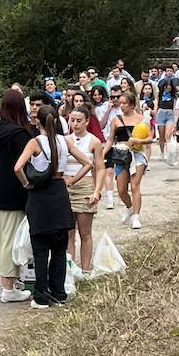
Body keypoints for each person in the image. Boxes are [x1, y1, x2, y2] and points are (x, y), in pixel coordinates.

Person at [14, 106, 95, 306]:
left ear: (38, 122)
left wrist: (26, 183)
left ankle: (41, 295)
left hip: (40, 195)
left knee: (40, 248)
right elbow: (88, 163)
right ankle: (59, 292)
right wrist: (71, 180)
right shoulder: (65, 141)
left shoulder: (35, 143)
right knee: (60, 247)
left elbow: (17, 167)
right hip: (59, 192)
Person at [0, 90, 33, 303]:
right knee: (11, 241)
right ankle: (9, 289)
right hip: (14, 194)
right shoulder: (21, 135)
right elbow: (23, 166)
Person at [64, 106, 105, 274]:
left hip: (85, 185)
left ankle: (86, 269)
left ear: (87, 121)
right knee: (68, 232)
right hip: (66, 185)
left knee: (85, 231)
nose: (75, 124)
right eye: (72, 120)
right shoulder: (65, 140)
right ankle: (70, 270)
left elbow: (100, 167)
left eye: (79, 120)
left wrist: (97, 190)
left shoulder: (94, 141)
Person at [105, 87, 151, 229]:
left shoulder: (141, 119)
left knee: (135, 185)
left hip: (137, 153)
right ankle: (130, 206)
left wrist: (139, 142)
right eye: (121, 103)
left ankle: (136, 216)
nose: (122, 105)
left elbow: (150, 137)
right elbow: (110, 139)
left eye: (125, 103)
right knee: (121, 189)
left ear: (132, 104)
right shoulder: (116, 120)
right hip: (120, 153)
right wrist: (102, 154)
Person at [154, 67, 179, 152]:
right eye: (166, 86)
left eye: (169, 86)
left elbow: (175, 106)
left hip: (170, 113)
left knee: (168, 134)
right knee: (161, 135)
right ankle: (162, 151)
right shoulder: (160, 94)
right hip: (161, 113)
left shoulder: (174, 96)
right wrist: (155, 111)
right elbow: (156, 102)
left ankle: (168, 151)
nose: (168, 88)